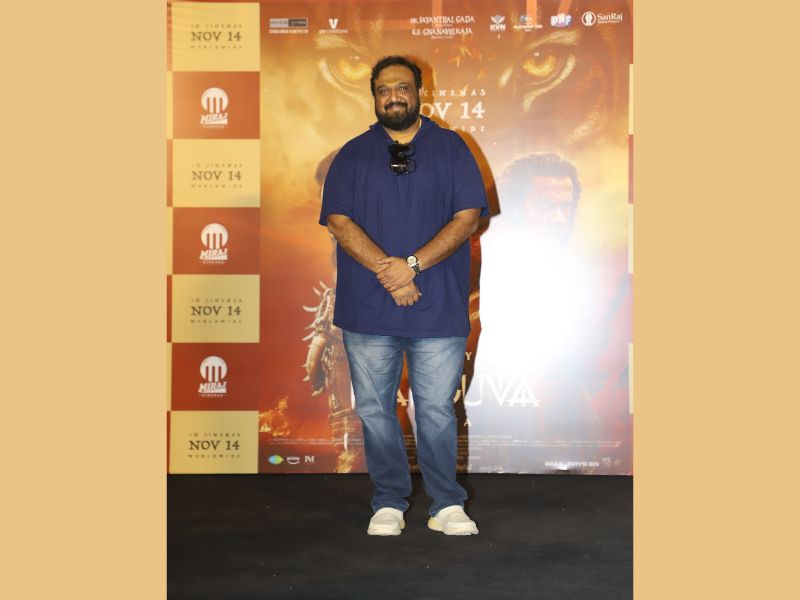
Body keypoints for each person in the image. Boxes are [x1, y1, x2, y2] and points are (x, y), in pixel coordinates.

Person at [319, 56, 488, 536]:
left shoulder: (451, 148)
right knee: (375, 409)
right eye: (384, 89)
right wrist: (389, 271)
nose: (393, 96)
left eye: (402, 87)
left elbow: (467, 217)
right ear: (374, 97)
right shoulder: (353, 154)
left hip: (438, 307)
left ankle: (446, 504)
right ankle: (389, 501)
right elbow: (338, 221)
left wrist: (410, 266)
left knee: (435, 410)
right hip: (368, 309)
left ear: (419, 93)